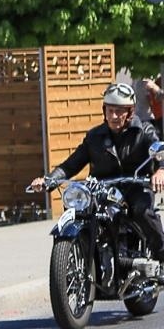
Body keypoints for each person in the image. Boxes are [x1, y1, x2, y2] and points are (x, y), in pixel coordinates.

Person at [30, 81, 164, 278]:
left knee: (141, 211)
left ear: (130, 112)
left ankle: (161, 255)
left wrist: (160, 170)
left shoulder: (143, 131)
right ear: (104, 110)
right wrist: (48, 180)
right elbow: (71, 164)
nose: (114, 116)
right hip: (103, 190)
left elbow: (159, 148)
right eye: (110, 111)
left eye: (120, 111)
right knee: (83, 212)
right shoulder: (95, 137)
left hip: (136, 186)